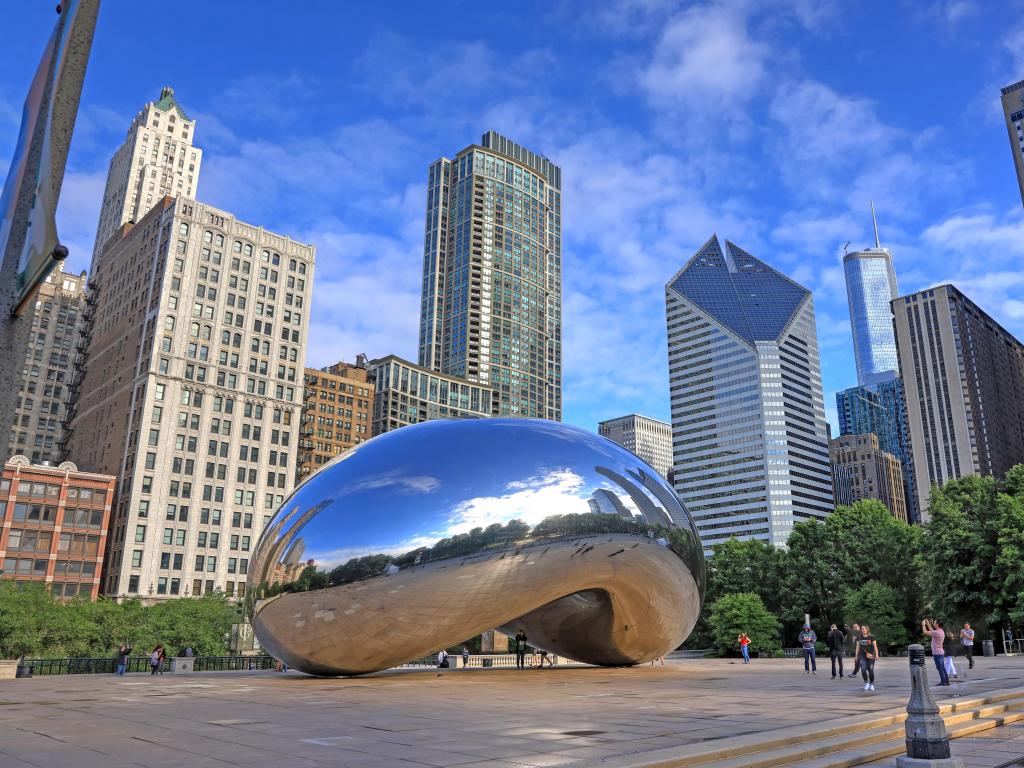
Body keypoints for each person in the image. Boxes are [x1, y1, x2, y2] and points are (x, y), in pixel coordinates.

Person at [923, 618, 950, 686]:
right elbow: (932, 630)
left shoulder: (936, 632)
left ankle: (943, 682)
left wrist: (923, 625)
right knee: (942, 667)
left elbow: (925, 632)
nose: (933, 623)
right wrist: (928, 623)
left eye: (934, 622)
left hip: (937, 653)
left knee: (939, 668)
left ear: (937, 624)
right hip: (940, 652)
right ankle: (947, 681)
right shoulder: (940, 631)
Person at [856, 624, 879, 691]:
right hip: (862, 656)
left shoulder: (872, 637)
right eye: (862, 629)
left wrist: (877, 654)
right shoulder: (859, 637)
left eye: (865, 629)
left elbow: (875, 646)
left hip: (871, 656)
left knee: (870, 670)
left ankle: (872, 684)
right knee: (863, 670)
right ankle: (866, 683)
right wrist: (856, 656)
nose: (863, 630)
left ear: (867, 629)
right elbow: (858, 647)